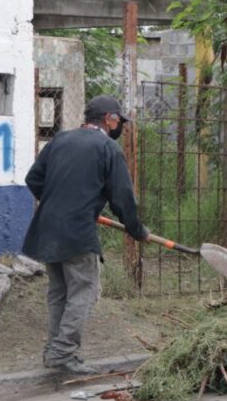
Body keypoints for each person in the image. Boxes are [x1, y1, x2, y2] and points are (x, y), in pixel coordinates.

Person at [22, 95, 148, 375]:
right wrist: (136, 229)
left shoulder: (60, 140)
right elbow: (122, 198)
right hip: (76, 232)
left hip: (47, 229)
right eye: (119, 121)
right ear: (108, 119)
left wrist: (58, 202)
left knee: (59, 293)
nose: (120, 127)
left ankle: (55, 352)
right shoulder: (107, 148)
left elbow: (33, 179)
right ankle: (63, 353)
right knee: (84, 292)